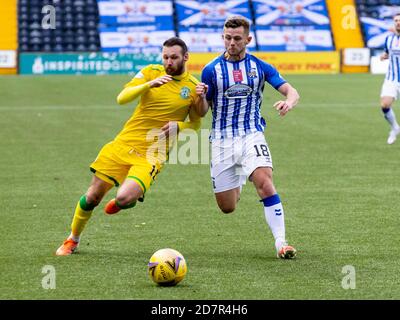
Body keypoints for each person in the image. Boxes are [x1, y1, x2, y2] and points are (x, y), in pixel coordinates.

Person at [56, 37, 204, 256]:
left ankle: (127, 201)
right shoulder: (150, 72)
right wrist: (148, 85)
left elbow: (196, 124)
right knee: (92, 197)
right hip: (124, 143)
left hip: (153, 154)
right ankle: (72, 239)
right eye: (165, 57)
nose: (169, 62)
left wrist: (179, 126)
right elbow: (122, 98)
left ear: (185, 57)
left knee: (124, 198)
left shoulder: (193, 87)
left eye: (174, 57)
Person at [195, 16, 300, 259]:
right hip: (221, 141)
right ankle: (241, 174)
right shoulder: (211, 70)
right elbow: (202, 112)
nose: (231, 43)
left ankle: (281, 243)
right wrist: (199, 97)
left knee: (264, 181)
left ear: (248, 39)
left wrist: (289, 102)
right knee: (227, 207)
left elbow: (291, 90)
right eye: (227, 38)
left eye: (237, 39)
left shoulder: (259, 67)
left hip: (252, 134)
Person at [380, 13, 400, 145]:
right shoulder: (389, 39)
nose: (398, 23)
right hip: (392, 78)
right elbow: (388, 52)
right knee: (385, 105)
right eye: (396, 21)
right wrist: (384, 56)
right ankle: (395, 128)